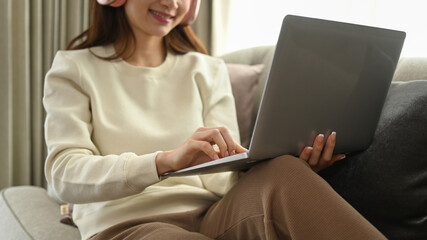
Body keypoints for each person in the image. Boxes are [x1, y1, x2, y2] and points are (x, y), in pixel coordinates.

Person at [43, 0, 386, 239]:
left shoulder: (206, 70)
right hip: (130, 224)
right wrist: (163, 162)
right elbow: (62, 175)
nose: (171, 2)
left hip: (214, 215)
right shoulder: (74, 69)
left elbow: (224, 178)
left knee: (286, 172)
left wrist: (289, 169)